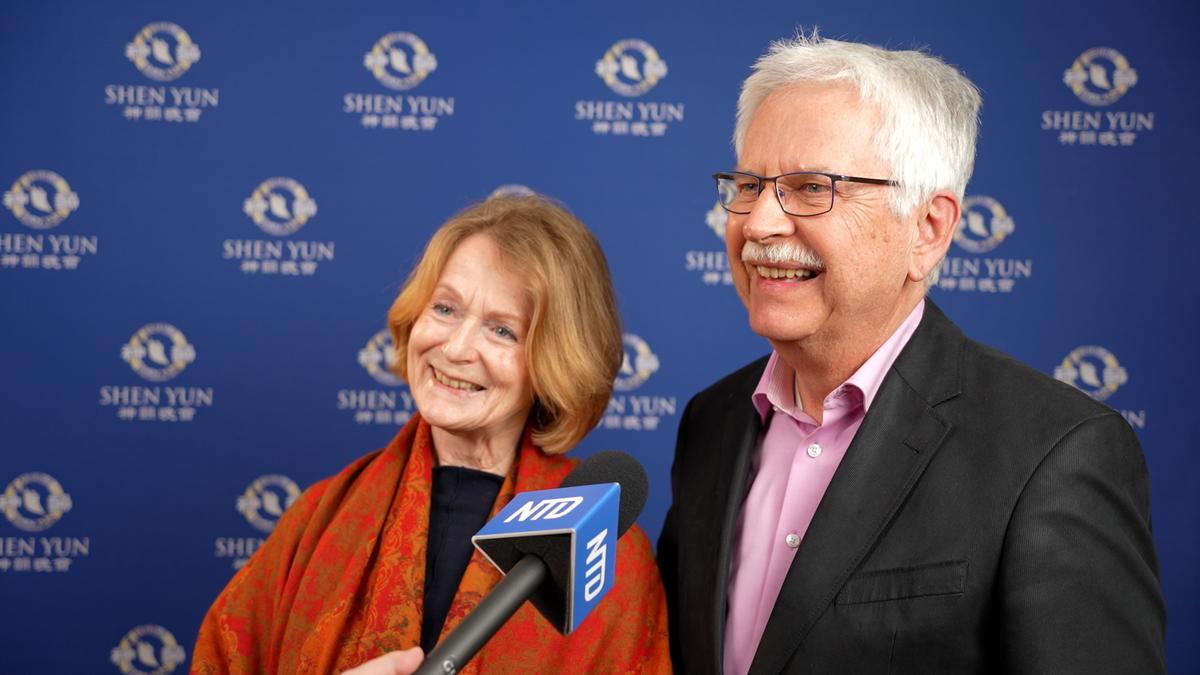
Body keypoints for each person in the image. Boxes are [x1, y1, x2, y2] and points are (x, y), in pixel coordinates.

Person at [657, 32, 1165, 674]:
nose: (759, 223)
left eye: (813, 188)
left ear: (928, 230)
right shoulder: (712, 420)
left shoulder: (1055, 455)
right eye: (750, 184)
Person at [192, 195, 672, 674]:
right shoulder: (316, 517)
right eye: (445, 309)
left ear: (557, 360)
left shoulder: (608, 555)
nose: (457, 347)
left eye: (502, 331)